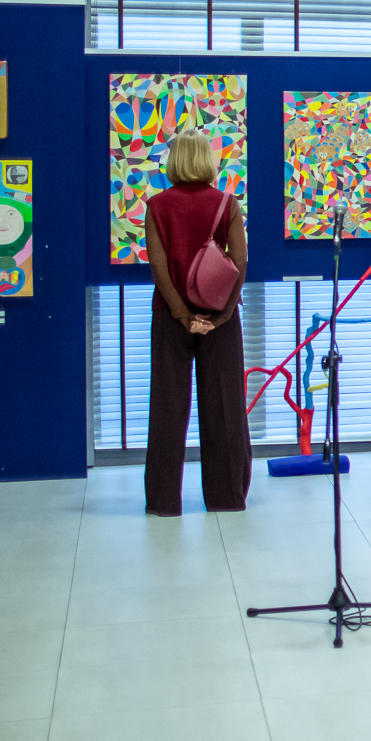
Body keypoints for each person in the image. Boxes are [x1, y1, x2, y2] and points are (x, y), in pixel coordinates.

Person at [142, 131, 251, 517]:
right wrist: (223, 314)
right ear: (207, 160)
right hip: (219, 313)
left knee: (168, 406)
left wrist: (181, 313)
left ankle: (163, 501)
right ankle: (226, 497)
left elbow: (158, 266)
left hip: (169, 316)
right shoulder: (226, 203)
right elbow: (239, 262)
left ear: (173, 161)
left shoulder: (156, 206)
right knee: (224, 405)